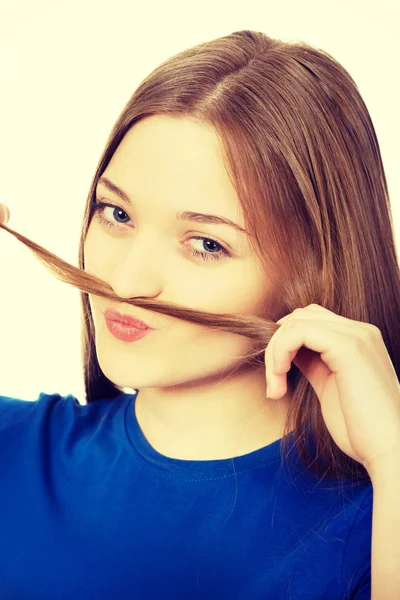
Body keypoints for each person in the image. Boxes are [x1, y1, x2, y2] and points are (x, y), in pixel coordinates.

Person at [1, 29, 398, 599]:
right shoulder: (12, 448)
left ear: (314, 273)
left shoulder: (375, 523)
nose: (128, 281)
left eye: (206, 244)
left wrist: (395, 458)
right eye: (115, 213)